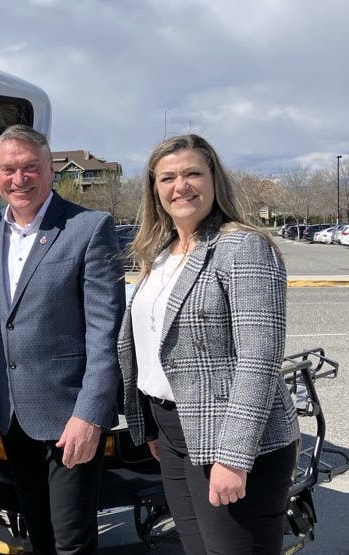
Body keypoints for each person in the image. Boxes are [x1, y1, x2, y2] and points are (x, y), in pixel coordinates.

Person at [118, 134, 299, 554]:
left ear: (214, 180)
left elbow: (259, 359)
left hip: (231, 440)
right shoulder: (160, 252)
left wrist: (234, 457)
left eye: (192, 174)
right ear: (154, 189)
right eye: (167, 178)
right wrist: (152, 425)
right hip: (173, 434)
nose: (180, 186)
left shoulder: (243, 247)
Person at [0, 124, 125, 555]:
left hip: (69, 417)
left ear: (50, 170)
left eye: (30, 167)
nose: (19, 179)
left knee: (71, 543)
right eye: (8, 169)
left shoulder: (88, 228)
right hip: (11, 416)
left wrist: (90, 416)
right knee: (39, 537)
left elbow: (105, 333)